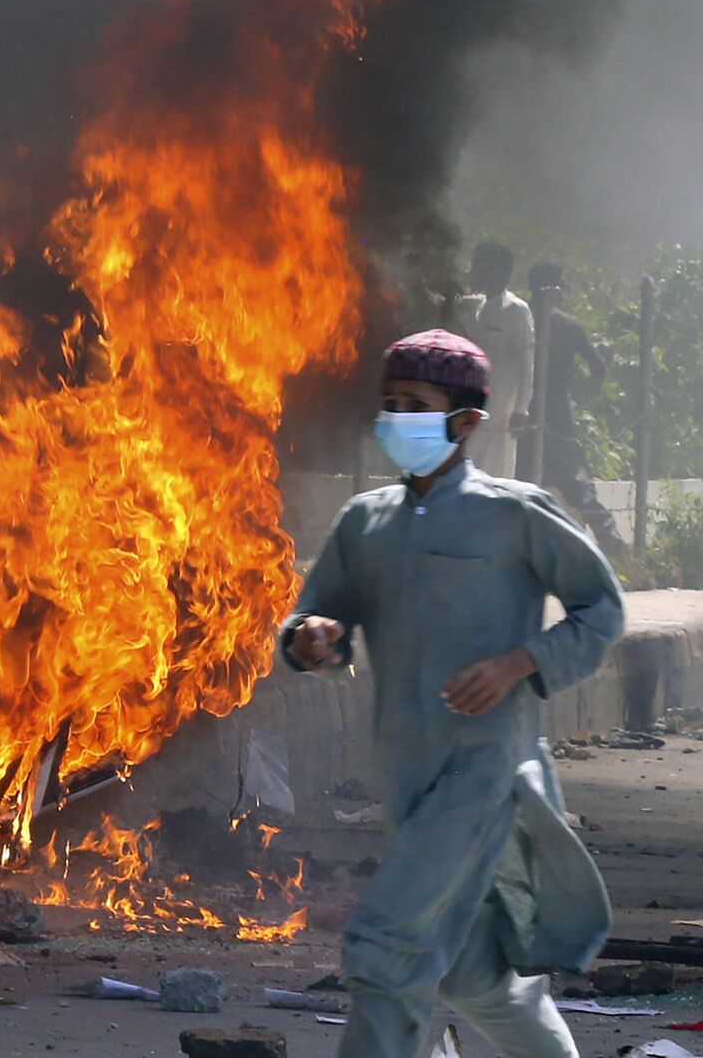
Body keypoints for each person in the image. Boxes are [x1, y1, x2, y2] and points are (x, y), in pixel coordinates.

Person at [284, 329, 624, 1058]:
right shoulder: (365, 522)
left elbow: (604, 610)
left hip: (488, 771)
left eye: (416, 404)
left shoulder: (517, 512)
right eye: (390, 404)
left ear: (466, 421)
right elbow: (321, 620)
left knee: (386, 946)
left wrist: (520, 662)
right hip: (406, 774)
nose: (397, 418)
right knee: (476, 980)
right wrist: (314, 639)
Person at [522, 263, 625, 553]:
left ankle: (524, 541)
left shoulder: (522, 317)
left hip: (524, 406)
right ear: (555, 289)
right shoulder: (568, 325)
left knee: (523, 474)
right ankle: (606, 531)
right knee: (573, 477)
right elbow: (598, 368)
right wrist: (581, 394)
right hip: (557, 408)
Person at [459, 242, 535, 477]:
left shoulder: (516, 310)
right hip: (468, 406)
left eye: (479, 267)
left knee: (494, 475)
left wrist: (521, 409)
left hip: (499, 413)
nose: (473, 273)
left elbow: (526, 363)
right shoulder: (473, 306)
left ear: (497, 273)